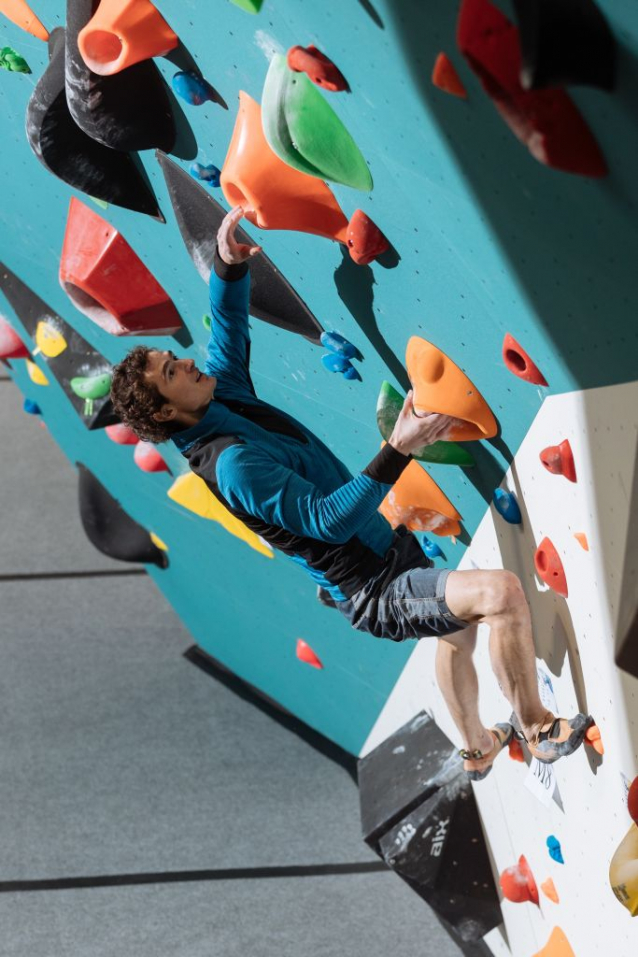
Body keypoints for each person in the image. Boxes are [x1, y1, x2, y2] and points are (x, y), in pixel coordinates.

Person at [110, 206, 593, 780]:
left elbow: (227, 332)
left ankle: (477, 749)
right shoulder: (234, 464)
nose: (185, 362)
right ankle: (537, 728)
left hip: (383, 549)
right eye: (172, 373)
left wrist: (228, 264)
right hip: (373, 586)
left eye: (172, 357)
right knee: (500, 595)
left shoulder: (218, 400)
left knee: (455, 627)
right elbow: (329, 521)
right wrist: (400, 447)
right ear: (168, 412)